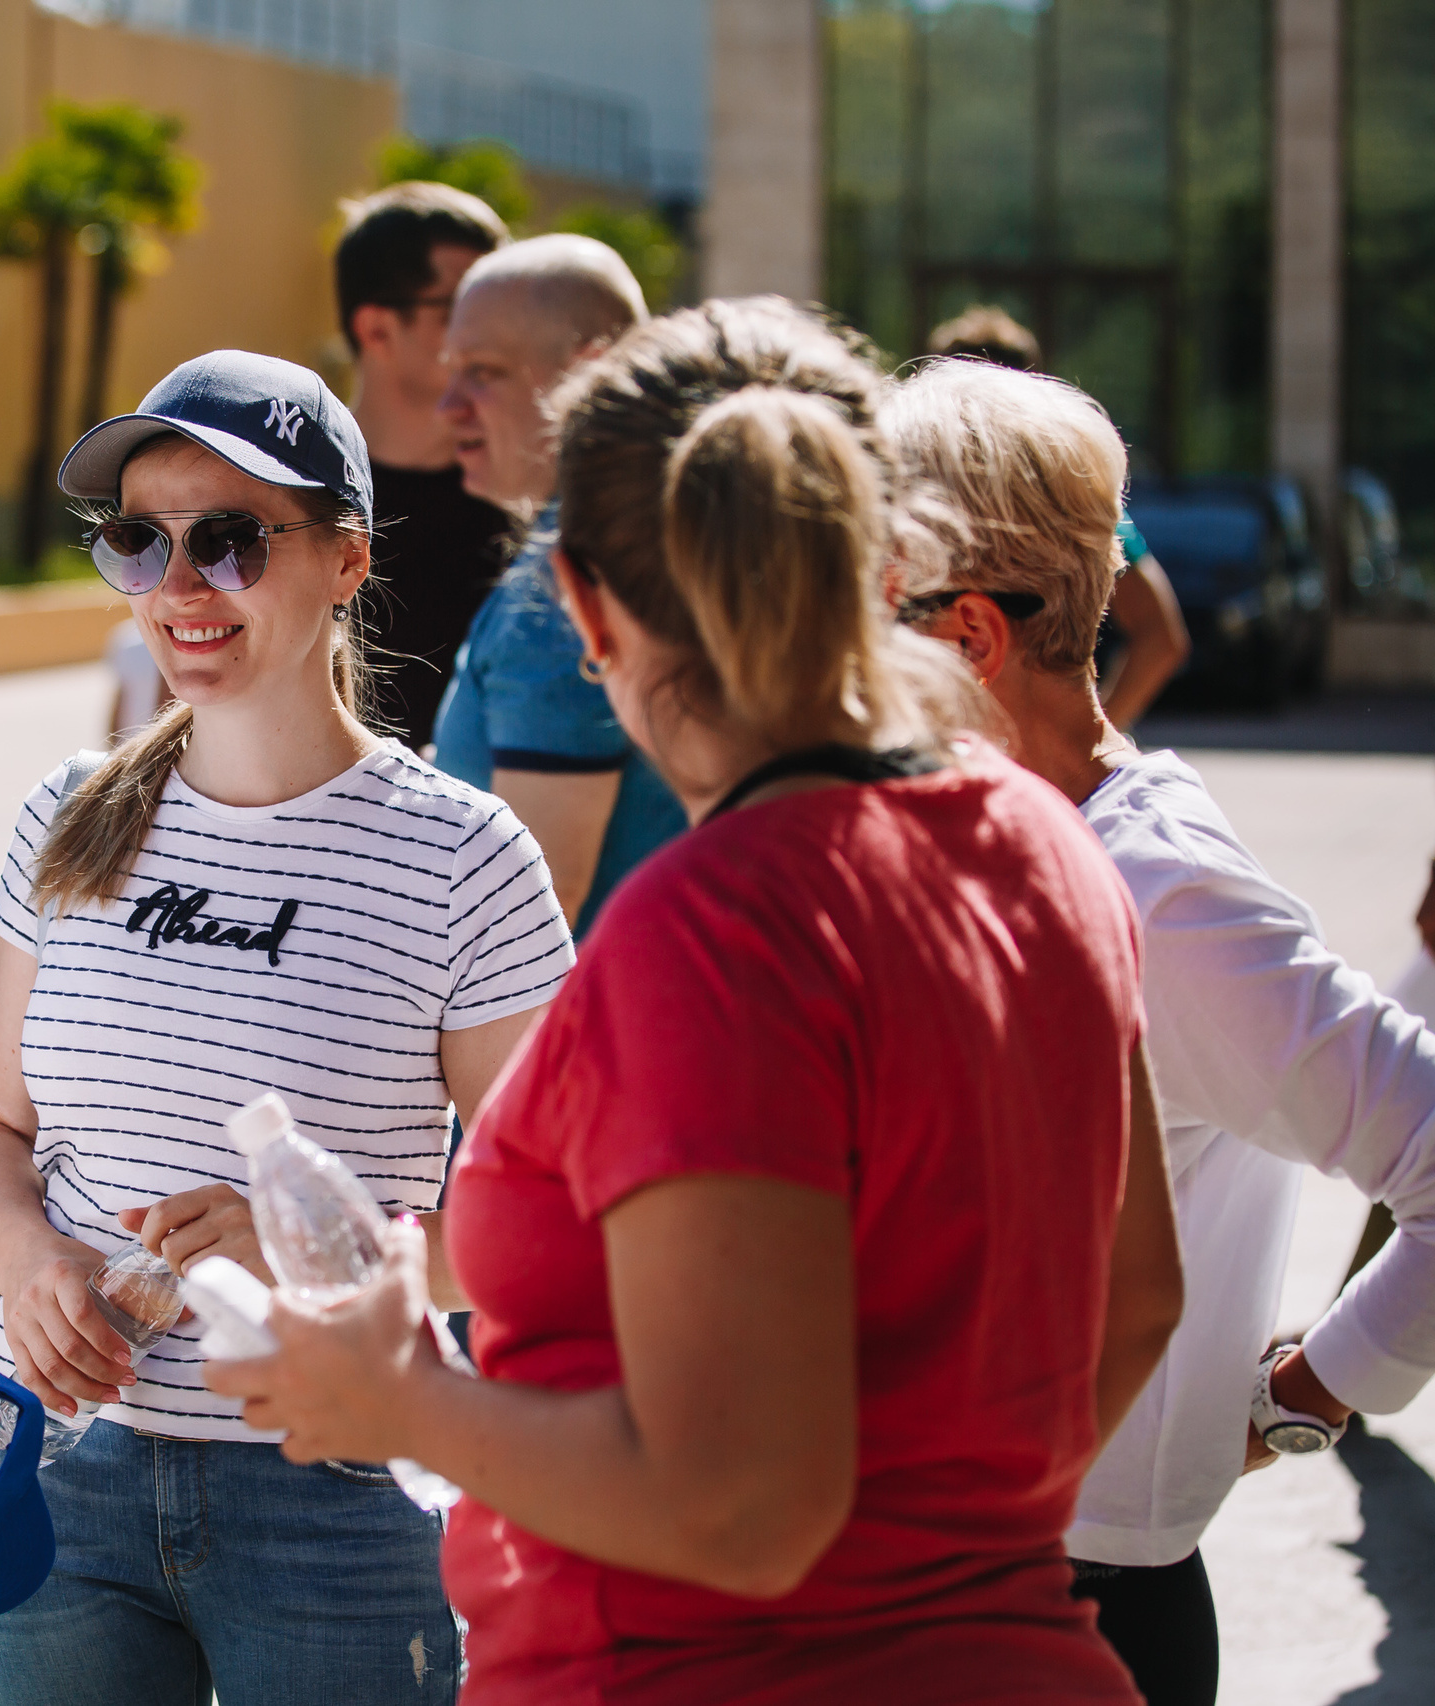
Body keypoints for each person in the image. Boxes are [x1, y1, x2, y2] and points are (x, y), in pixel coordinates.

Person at [209, 298, 1187, 1704]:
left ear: (585, 603)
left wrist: (399, 1402)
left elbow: (741, 1504)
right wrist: (936, 1550)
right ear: (882, 558)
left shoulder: (718, 923)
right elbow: (1140, 1301)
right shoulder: (1043, 836)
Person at [0, 350, 573, 1704]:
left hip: (331, 1489)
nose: (178, 584)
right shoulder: (64, 815)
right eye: (138, 540)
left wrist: (321, 1259)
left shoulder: (462, 858)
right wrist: (29, 1256)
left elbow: (559, 1225)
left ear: (347, 559)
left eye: (229, 539)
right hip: (49, 1466)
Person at [887, 355, 1435, 1706]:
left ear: (967, 635)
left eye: (852, 613)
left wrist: (1313, 1390)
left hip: (1069, 1607)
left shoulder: (1161, 893)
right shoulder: (985, 834)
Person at [430, 235, 687, 937]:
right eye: (451, 371)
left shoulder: (561, 596)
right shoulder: (644, 538)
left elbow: (536, 912)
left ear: (591, 373)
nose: (448, 405)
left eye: (483, 373)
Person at [925, 304, 1188, 728]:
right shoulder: (1072, 496)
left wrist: (1089, 739)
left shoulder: (1069, 498)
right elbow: (1162, 638)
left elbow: (1161, 638)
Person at [334, 182, 518, 747]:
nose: (492, 331)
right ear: (377, 329)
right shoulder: (288, 499)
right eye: (461, 307)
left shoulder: (527, 504)